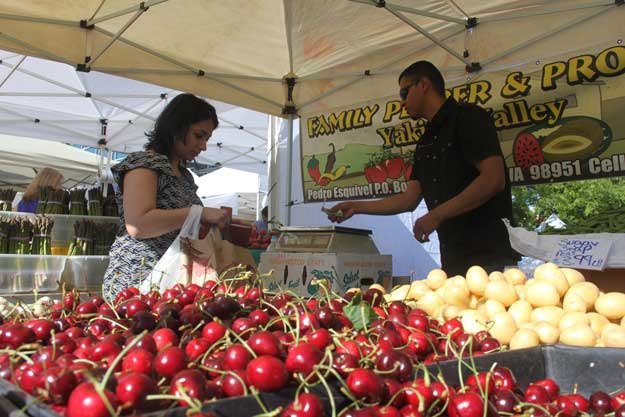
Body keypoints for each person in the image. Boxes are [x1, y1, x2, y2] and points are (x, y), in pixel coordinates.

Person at [327, 61, 519, 275]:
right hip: (453, 259)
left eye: (404, 92)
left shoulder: (468, 117)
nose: (402, 102)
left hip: (490, 257)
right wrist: (356, 206)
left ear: (424, 84)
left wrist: (436, 215)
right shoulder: (425, 141)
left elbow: (493, 179)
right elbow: (409, 199)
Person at [103, 93, 229, 302]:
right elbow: (138, 224)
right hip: (137, 283)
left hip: (173, 281)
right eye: (199, 135)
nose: (203, 146)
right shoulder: (144, 164)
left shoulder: (185, 176)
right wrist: (198, 213)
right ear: (176, 128)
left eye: (207, 139)